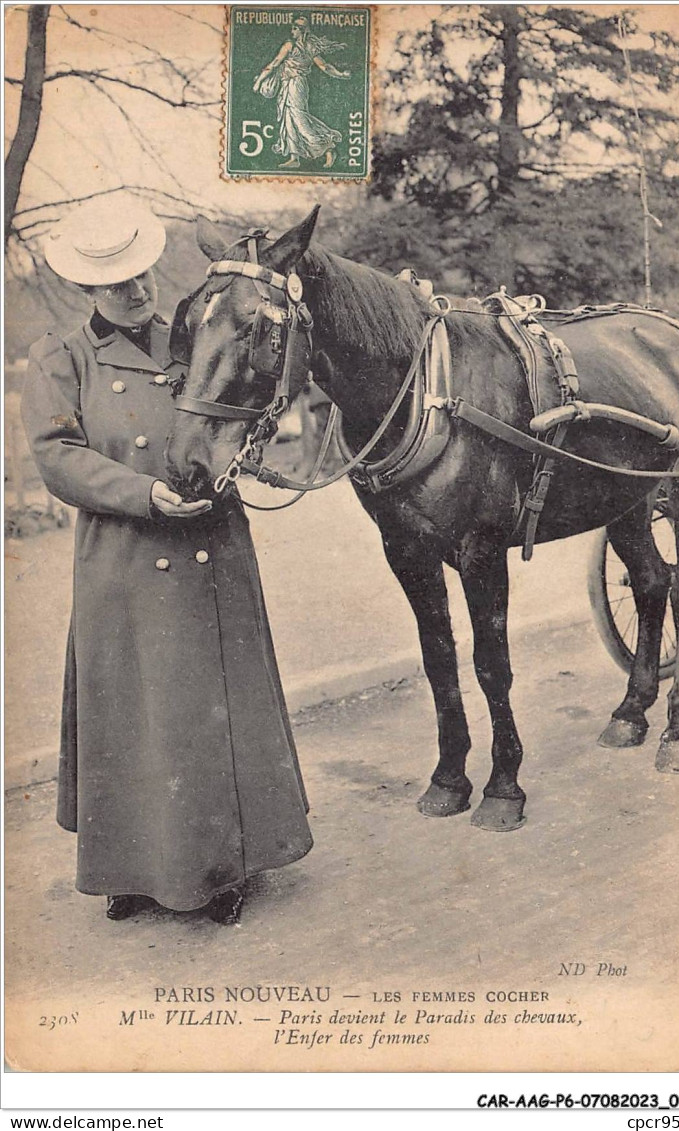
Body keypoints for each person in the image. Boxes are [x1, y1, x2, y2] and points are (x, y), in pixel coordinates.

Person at [21, 197, 313, 925]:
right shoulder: (61, 358)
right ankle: (129, 869)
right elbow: (59, 458)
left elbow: (244, 396)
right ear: (88, 289)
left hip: (213, 545)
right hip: (125, 552)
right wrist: (143, 492)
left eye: (141, 275)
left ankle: (226, 869)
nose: (135, 290)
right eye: (116, 283)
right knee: (133, 714)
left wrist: (247, 450)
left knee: (217, 710)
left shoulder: (191, 336)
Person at [253, 16, 350, 169]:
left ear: (301, 30)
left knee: (299, 118)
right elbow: (325, 67)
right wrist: (340, 74)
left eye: (294, 28)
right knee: (288, 119)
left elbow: (275, 63)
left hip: (296, 84)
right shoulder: (309, 47)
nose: (292, 30)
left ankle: (328, 147)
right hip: (289, 84)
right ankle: (294, 157)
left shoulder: (291, 45)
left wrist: (259, 82)